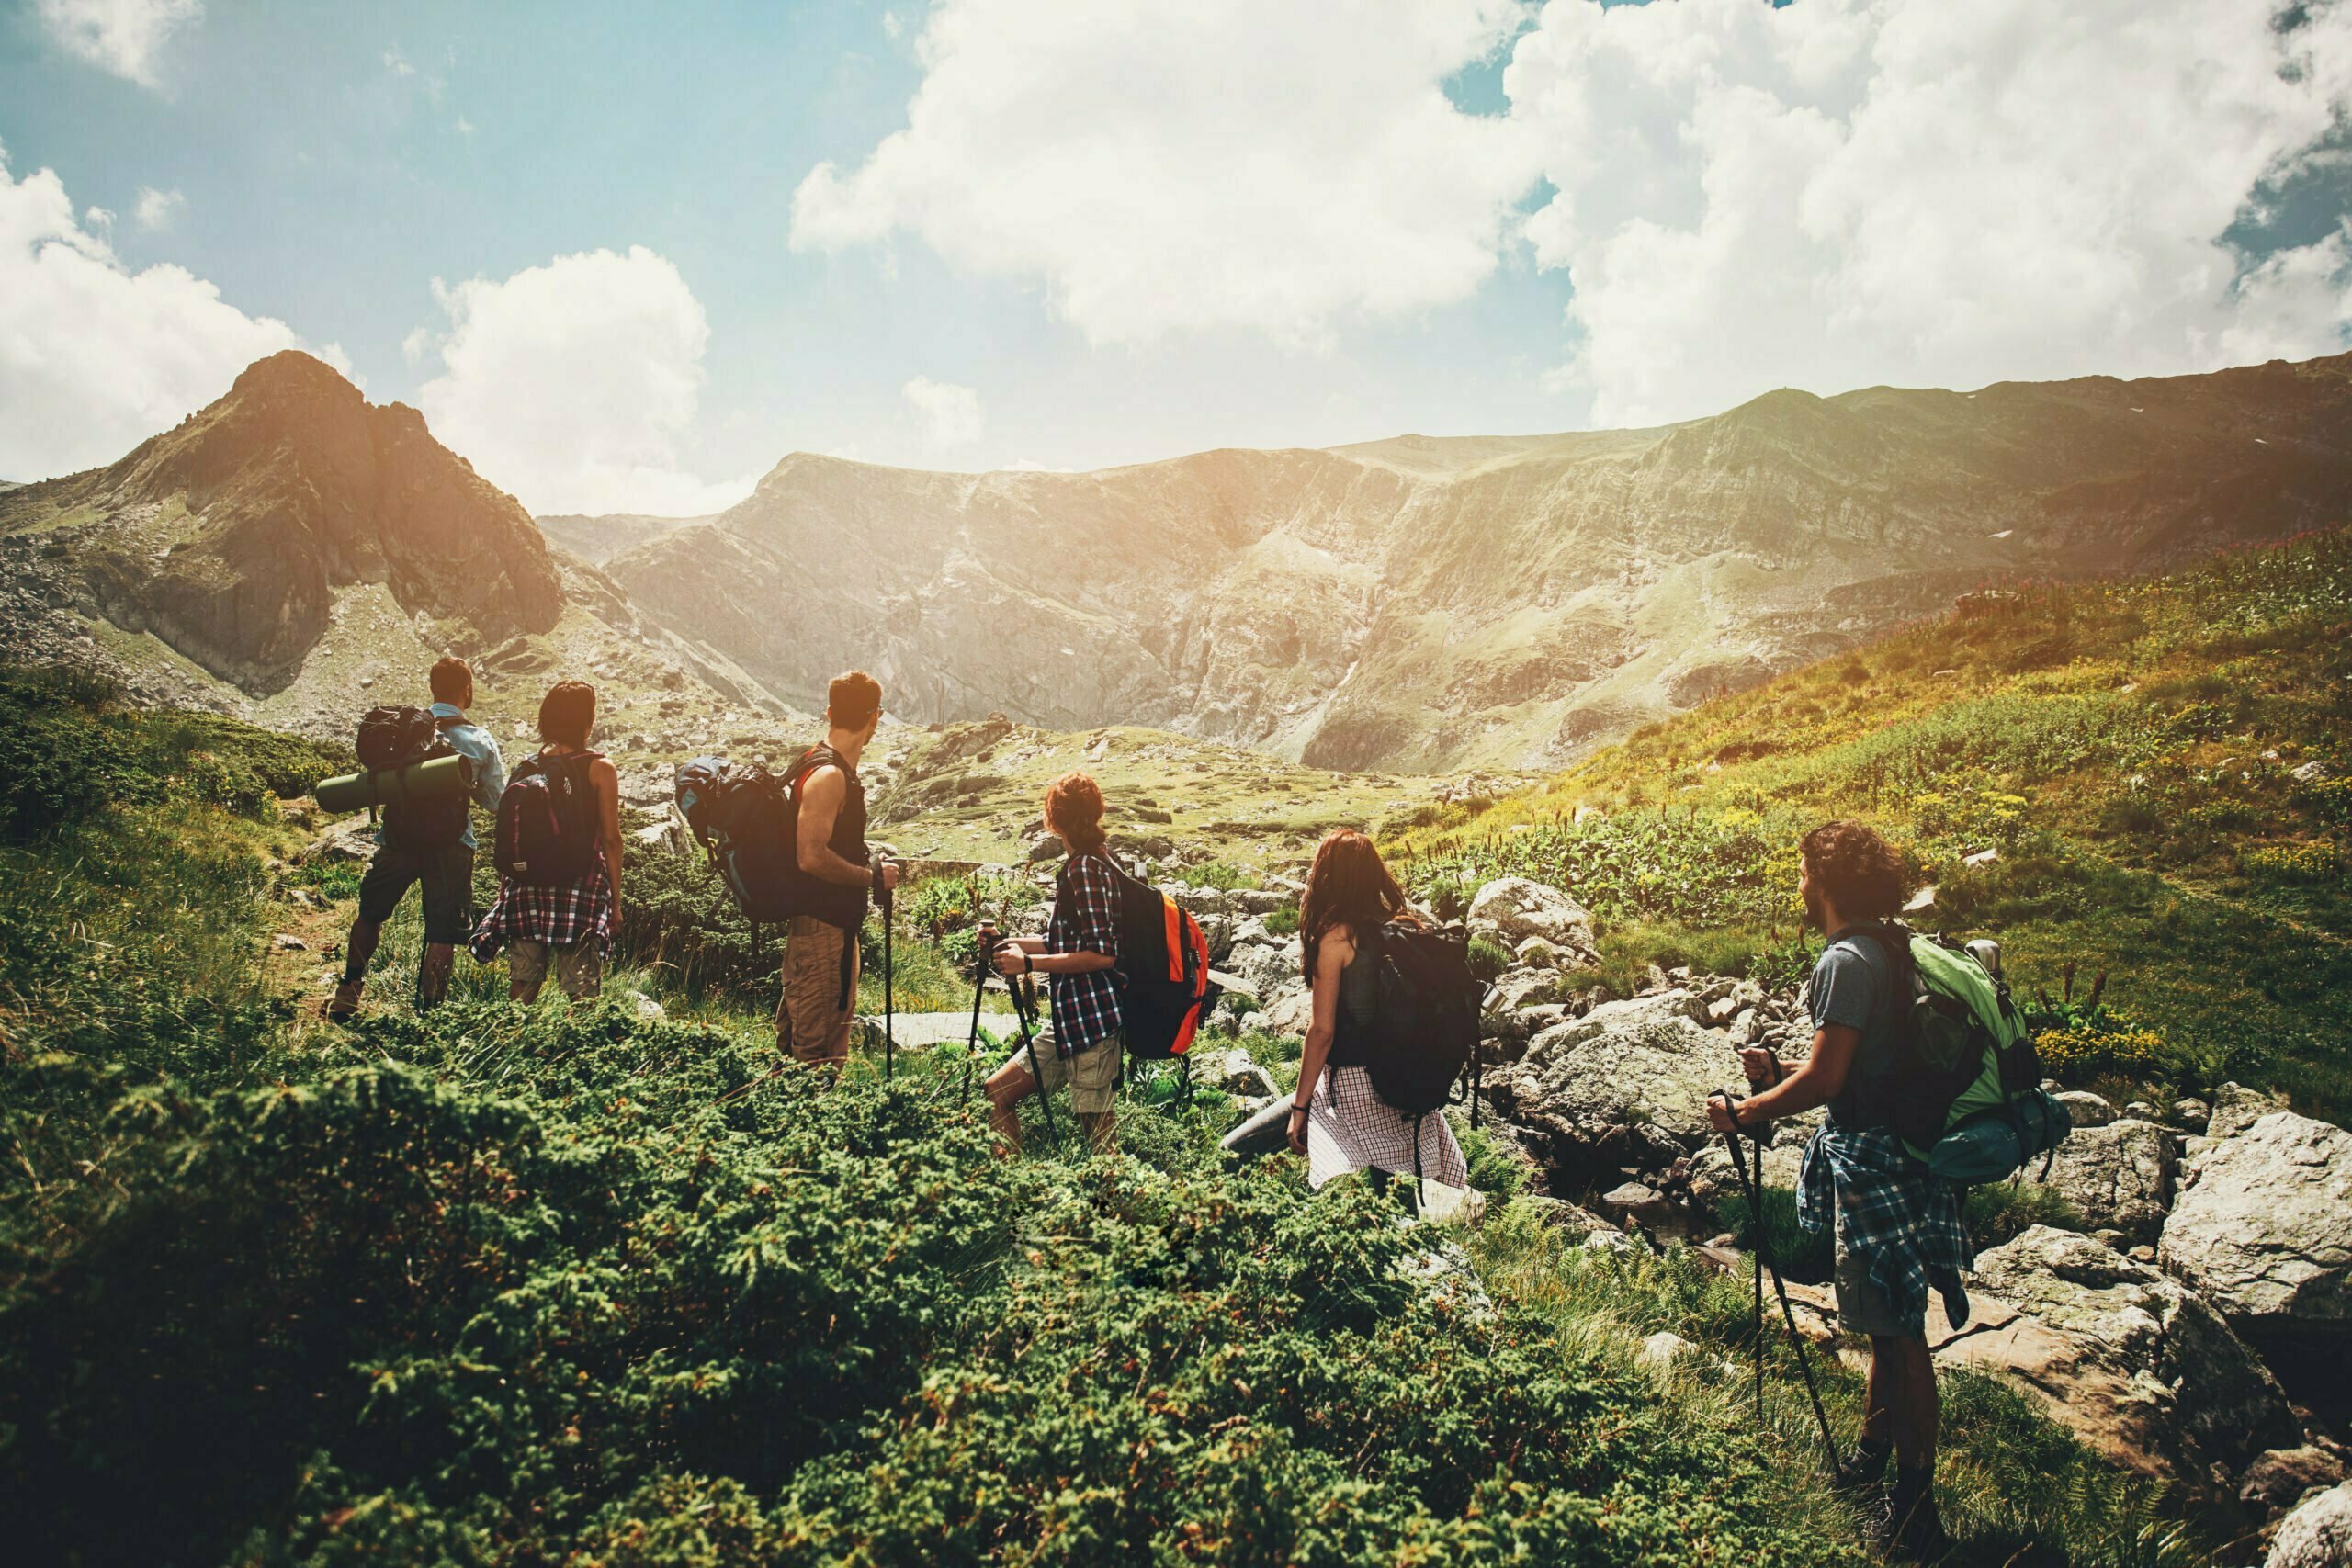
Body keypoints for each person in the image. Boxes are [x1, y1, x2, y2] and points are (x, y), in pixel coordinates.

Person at [1704, 820, 1966, 1561]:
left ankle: (1915, 1509)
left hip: (1877, 1159)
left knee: (1900, 1330)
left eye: (1801, 871)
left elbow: (1827, 1080)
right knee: (1889, 1320)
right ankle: (1873, 1456)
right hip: (1904, 1150)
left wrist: (1745, 1111)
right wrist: (1778, 1069)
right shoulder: (1888, 944)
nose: (1796, 883)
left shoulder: (1846, 960)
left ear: (1825, 881)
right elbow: (1857, 1061)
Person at [1285, 829, 1467, 1198]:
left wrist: (1299, 1108)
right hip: (1404, 1077)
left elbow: (1322, 1032)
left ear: (1328, 876)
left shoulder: (1336, 938)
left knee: (1356, 1187)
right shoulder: (1401, 927)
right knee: (1405, 1191)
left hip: (1356, 1089)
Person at [326, 656, 504, 1021]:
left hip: (397, 839)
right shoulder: (478, 739)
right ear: (467, 691)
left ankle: (348, 991)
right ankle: (430, 1018)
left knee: (370, 915)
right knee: (442, 934)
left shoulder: (401, 731)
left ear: (432, 688)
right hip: (452, 847)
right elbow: (494, 801)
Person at [984, 772, 1123, 1155]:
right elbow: (1062, 943)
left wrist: (1028, 965)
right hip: (1069, 1024)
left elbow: (1101, 954)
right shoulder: (1093, 863)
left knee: (1100, 1146)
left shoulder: (1085, 868)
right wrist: (1008, 944)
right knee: (996, 1092)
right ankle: (1018, 1195)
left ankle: (1122, 1211)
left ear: (1054, 818)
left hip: (1092, 1026)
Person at [469, 681, 624, 1002]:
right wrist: (617, 904)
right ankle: (576, 1050)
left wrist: (505, 890)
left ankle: (511, 1045)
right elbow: (611, 839)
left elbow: (510, 834)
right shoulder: (600, 768)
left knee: (522, 984)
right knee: (581, 990)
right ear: (587, 720)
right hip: (581, 886)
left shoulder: (527, 768)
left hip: (526, 888)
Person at [776, 671, 899, 1072]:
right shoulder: (829, 775)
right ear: (874, 717)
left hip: (823, 931)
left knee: (808, 1047)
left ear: (829, 711)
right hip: (823, 933)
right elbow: (810, 856)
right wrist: (872, 878)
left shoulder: (818, 763)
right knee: (818, 1057)